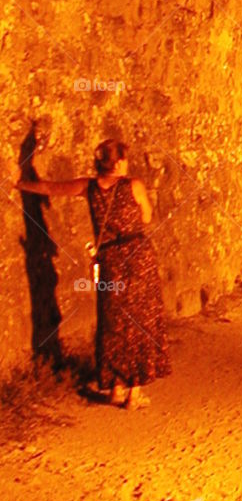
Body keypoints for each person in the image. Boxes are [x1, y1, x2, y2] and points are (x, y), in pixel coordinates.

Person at [16, 138, 171, 408]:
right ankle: (134, 392)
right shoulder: (133, 185)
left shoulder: (88, 187)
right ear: (120, 162)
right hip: (138, 258)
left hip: (109, 259)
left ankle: (114, 386)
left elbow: (50, 188)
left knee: (112, 320)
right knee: (139, 320)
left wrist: (19, 183)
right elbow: (146, 217)